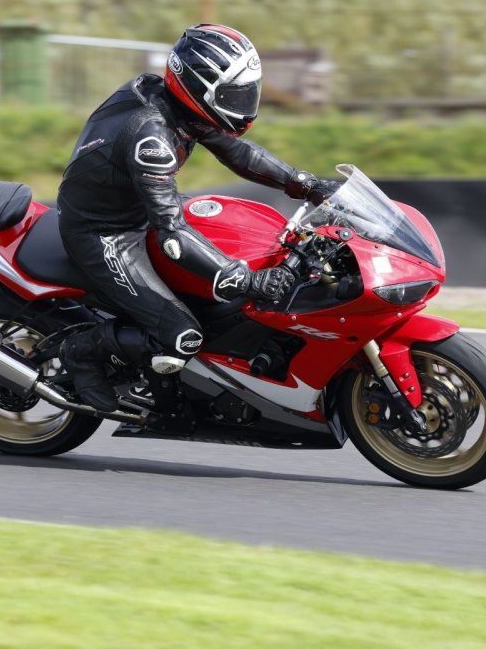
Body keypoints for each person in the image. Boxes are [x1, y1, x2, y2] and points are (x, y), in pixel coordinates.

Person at [56, 24, 339, 411]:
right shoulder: (152, 138)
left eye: (246, 91)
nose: (243, 102)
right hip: (106, 233)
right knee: (181, 334)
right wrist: (250, 281)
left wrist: (305, 183)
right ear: (198, 86)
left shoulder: (179, 105)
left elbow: (237, 152)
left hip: (139, 206)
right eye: (233, 94)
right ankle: (81, 351)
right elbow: (172, 235)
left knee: (254, 249)